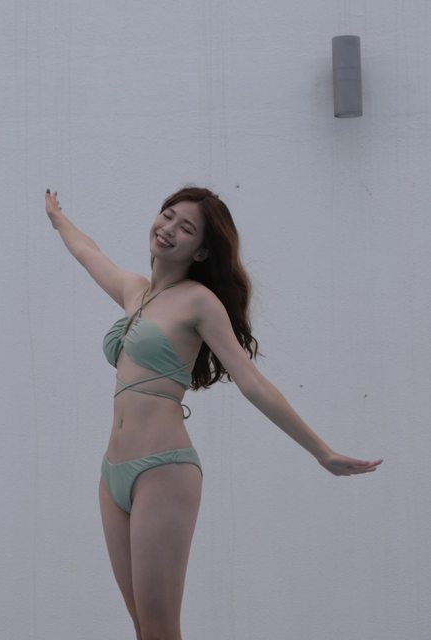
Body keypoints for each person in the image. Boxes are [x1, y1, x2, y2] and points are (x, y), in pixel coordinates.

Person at [44, 185, 382, 640]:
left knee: (161, 629)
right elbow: (89, 253)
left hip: (162, 471)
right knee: (143, 628)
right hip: (112, 473)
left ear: (201, 251)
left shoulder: (199, 302)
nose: (169, 229)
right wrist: (57, 218)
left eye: (186, 228)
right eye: (168, 215)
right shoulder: (134, 292)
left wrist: (322, 452)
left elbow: (252, 382)